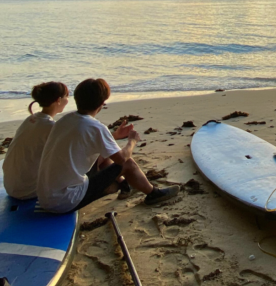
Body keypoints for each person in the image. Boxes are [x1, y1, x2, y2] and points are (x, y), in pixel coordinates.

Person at [36, 78, 179, 213]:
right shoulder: (95, 127)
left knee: (103, 155)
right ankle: (153, 194)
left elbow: (89, 142)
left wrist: (114, 136)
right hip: (65, 201)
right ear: (101, 104)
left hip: (45, 195)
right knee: (127, 163)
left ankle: (125, 186)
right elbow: (122, 159)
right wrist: (132, 141)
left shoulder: (65, 120)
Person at [3, 81, 70, 200]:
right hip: (28, 190)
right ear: (58, 100)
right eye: (66, 96)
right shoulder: (51, 127)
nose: (68, 100)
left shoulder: (31, 119)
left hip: (11, 186)